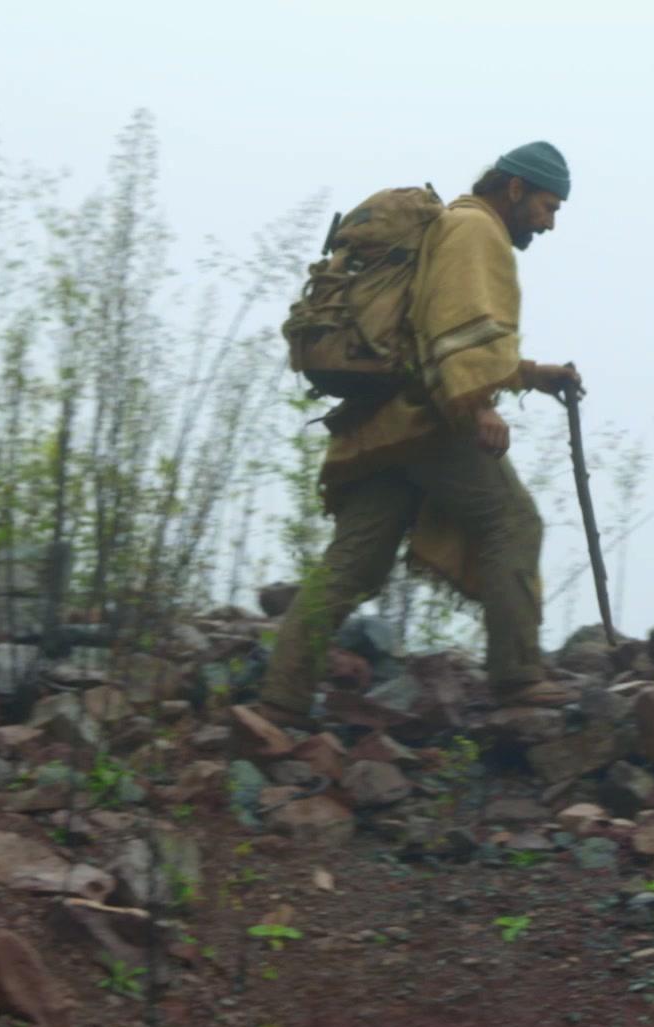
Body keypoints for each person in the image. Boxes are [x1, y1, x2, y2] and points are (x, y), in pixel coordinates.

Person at [260, 141, 585, 718]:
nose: (550, 223)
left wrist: (534, 375)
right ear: (514, 189)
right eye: (547, 206)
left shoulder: (451, 227)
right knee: (511, 522)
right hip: (427, 420)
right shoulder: (475, 229)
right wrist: (478, 405)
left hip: (381, 425)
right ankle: (517, 676)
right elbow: (452, 327)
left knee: (352, 564)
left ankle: (280, 699)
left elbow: (426, 332)